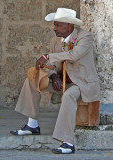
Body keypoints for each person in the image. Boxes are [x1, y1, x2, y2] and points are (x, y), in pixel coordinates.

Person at [10, 8, 100, 154]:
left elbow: (74, 55)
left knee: (69, 95)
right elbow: (52, 66)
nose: (54, 28)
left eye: (58, 25)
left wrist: (48, 56)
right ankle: (32, 125)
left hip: (81, 83)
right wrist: (53, 76)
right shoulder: (55, 41)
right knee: (33, 80)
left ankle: (67, 142)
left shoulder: (85, 37)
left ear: (69, 26)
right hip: (61, 80)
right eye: (55, 25)